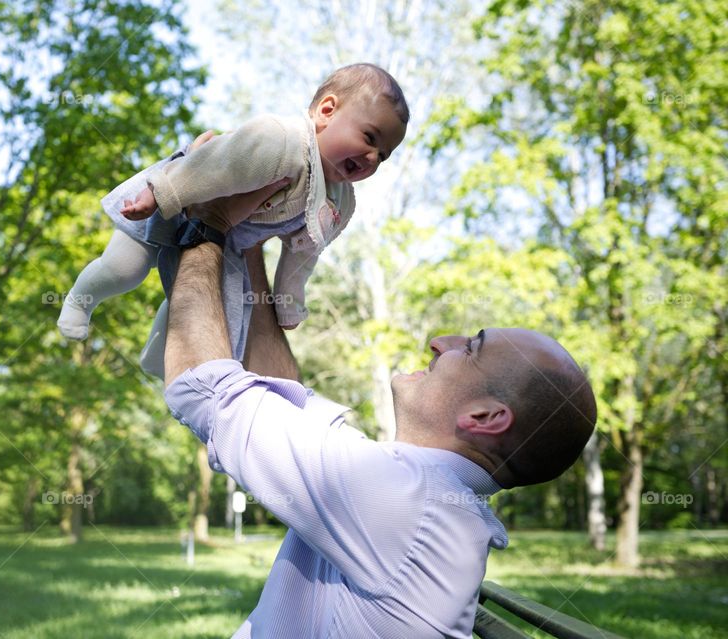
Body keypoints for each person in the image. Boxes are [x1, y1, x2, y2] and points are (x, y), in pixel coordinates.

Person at [160, 187, 598, 637]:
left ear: (485, 417)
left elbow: (203, 389)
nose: (440, 342)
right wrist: (250, 244)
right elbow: (285, 399)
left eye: (471, 349)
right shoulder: (425, 498)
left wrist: (208, 221)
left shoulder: (409, 501)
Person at [56, 63, 408, 378]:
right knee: (126, 267)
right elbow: (213, 166)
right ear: (327, 111)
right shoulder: (281, 141)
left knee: (221, 309)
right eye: (369, 138)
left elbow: (305, 252)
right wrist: (158, 193)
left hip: (224, 240)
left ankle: (161, 356)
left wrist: (288, 302)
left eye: (383, 155)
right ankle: (81, 298)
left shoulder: (337, 201)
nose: (372, 157)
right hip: (179, 193)